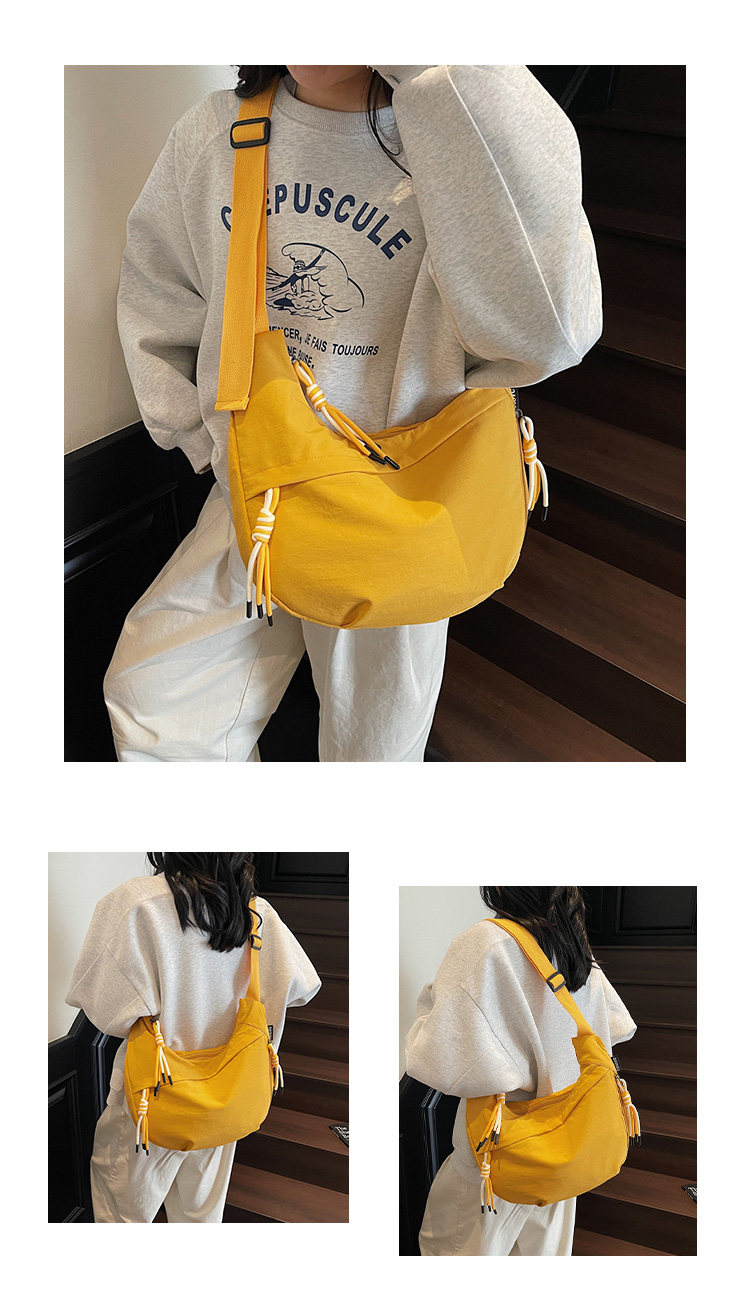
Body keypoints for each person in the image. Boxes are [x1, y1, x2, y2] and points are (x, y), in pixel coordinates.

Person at [105, 65, 602, 762]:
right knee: (157, 696)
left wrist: (441, 72)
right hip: (259, 488)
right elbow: (159, 296)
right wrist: (204, 444)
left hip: (402, 506)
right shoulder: (214, 132)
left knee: (373, 751)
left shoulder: (462, 130)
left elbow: (551, 332)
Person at [65, 853, 320, 1223]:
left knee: (122, 1215)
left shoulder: (137, 903)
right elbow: (301, 988)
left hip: (149, 1100)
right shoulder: (257, 913)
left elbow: (104, 1009)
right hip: (227, 1098)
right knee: (200, 1217)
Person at [404, 887, 636, 1256]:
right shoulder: (573, 948)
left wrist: (433, 999)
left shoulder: (485, 942)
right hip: (563, 1155)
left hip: (494, 1160)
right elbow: (618, 1026)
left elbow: (433, 1058)